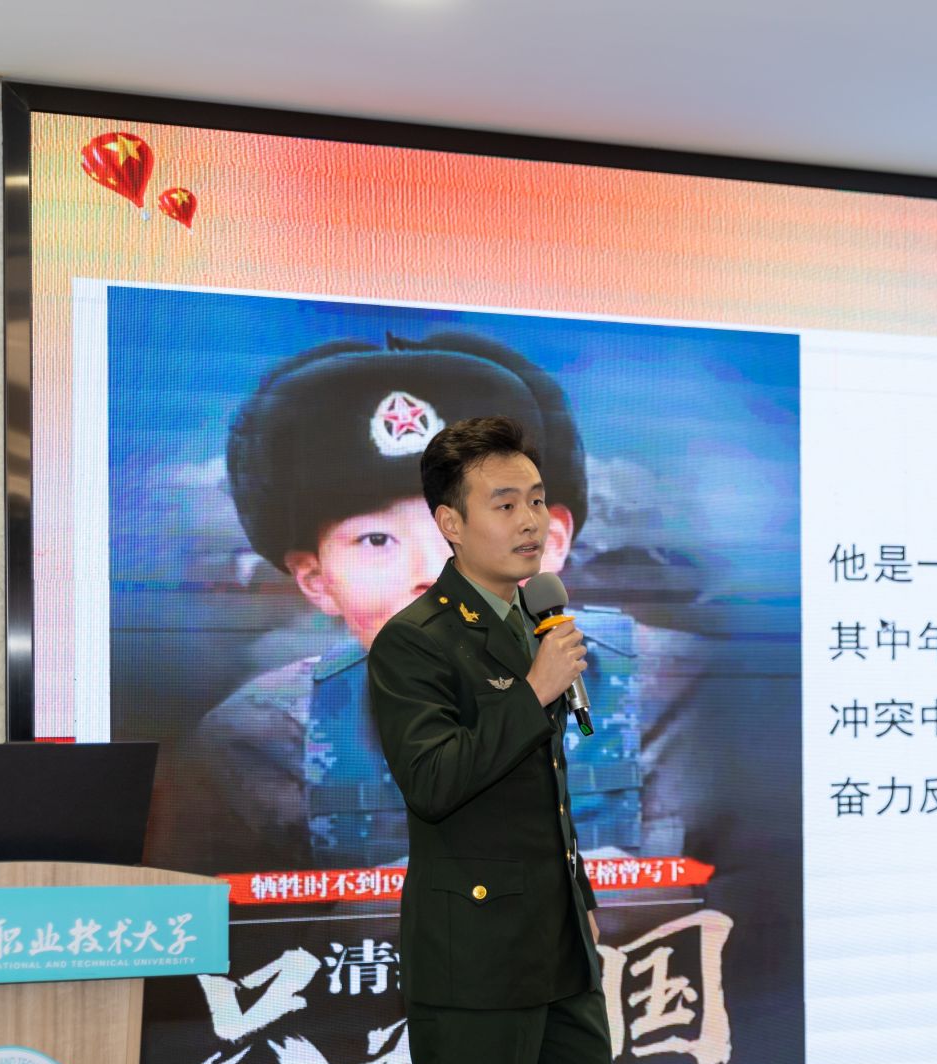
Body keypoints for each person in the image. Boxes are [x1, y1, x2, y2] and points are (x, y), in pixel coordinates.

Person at [143, 331, 644, 878]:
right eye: (376, 540)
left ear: (549, 542)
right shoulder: (260, 742)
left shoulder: (682, 703)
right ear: (316, 579)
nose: (432, 575)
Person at [368, 415, 613, 1064]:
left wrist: (542, 677)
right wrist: (534, 689)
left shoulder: (537, 618)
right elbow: (433, 780)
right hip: (473, 959)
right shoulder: (414, 641)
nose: (531, 521)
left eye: (538, 500)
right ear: (450, 522)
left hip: (559, 948)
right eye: (504, 503)